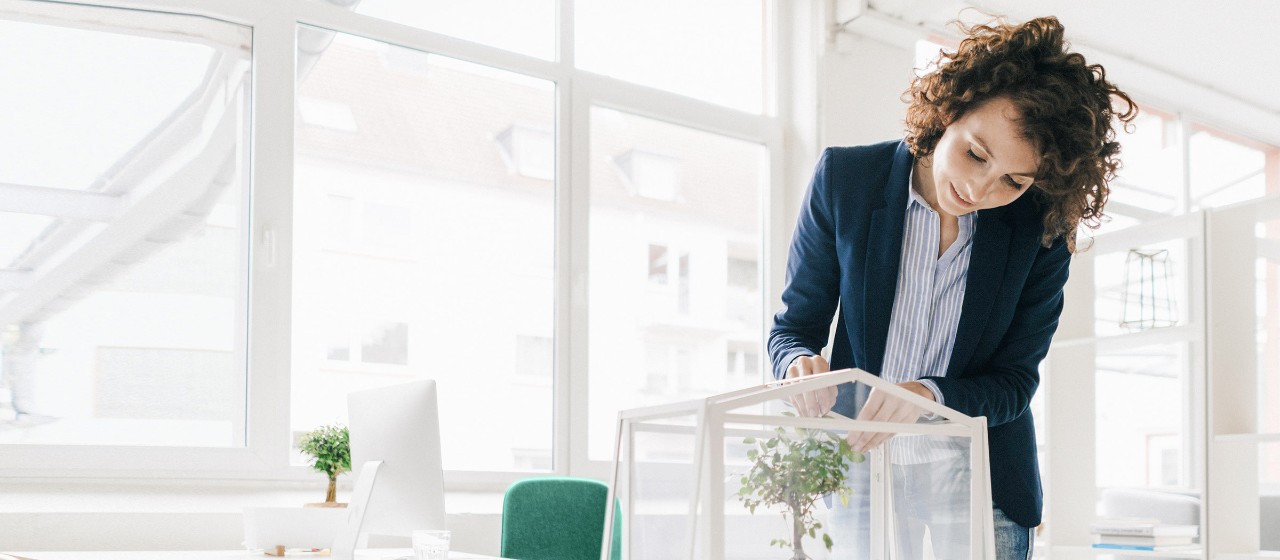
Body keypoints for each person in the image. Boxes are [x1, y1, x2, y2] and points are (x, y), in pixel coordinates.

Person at [767, 15, 1136, 560]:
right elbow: (791, 331)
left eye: (1014, 181)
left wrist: (928, 397)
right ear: (949, 111)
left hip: (983, 475)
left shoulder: (1041, 231)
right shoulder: (846, 181)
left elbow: (1013, 383)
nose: (978, 189)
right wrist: (797, 363)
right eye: (976, 154)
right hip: (865, 469)